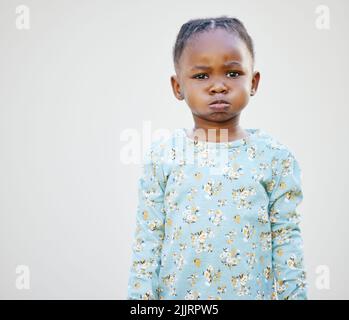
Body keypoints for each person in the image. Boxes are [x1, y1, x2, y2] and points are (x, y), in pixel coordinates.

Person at [126, 16, 307, 300]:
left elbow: (287, 243)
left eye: (233, 74)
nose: (218, 86)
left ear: (253, 81)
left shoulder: (275, 158)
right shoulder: (163, 157)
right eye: (201, 76)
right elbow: (147, 245)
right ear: (178, 87)